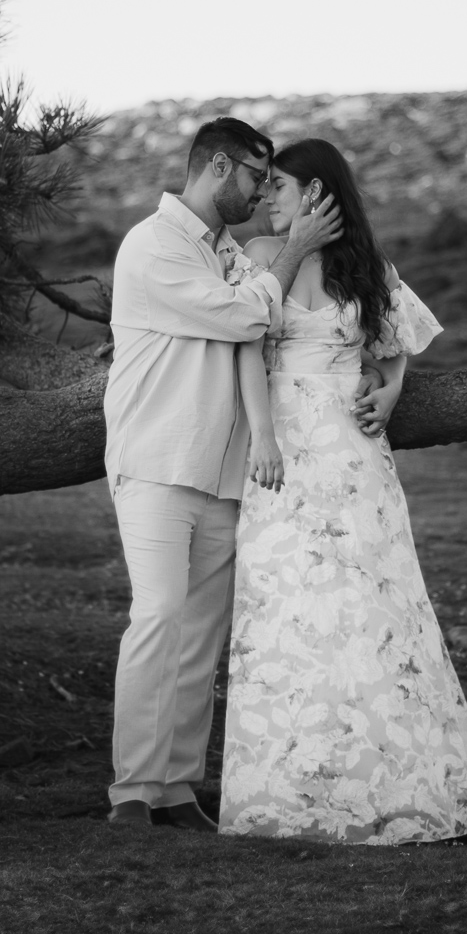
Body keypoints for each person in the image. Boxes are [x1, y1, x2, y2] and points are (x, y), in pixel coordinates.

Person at [218, 139, 467, 845]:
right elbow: (245, 352)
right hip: (280, 452)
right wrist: (262, 437)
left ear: (317, 193)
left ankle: (392, 783)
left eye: (279, 185)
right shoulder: (254, 258)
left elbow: (394, 346)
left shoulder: (364, 269)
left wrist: (395, 392)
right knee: (287, 609)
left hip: (353, 457)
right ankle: (289, 792)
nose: (266, 198)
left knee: (372, 606)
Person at [103, 117, 344, 829]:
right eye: (253, 176)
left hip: (223, 469)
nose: (260, 190)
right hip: (156, 460)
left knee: (200, 636)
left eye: (271, 180)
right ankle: (131, 794)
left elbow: (262, 315)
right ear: (215, 167)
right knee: (155, 618)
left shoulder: (229, 252)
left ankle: (176, 788)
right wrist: (296, 246)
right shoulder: (153, 248)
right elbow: (245, 318)